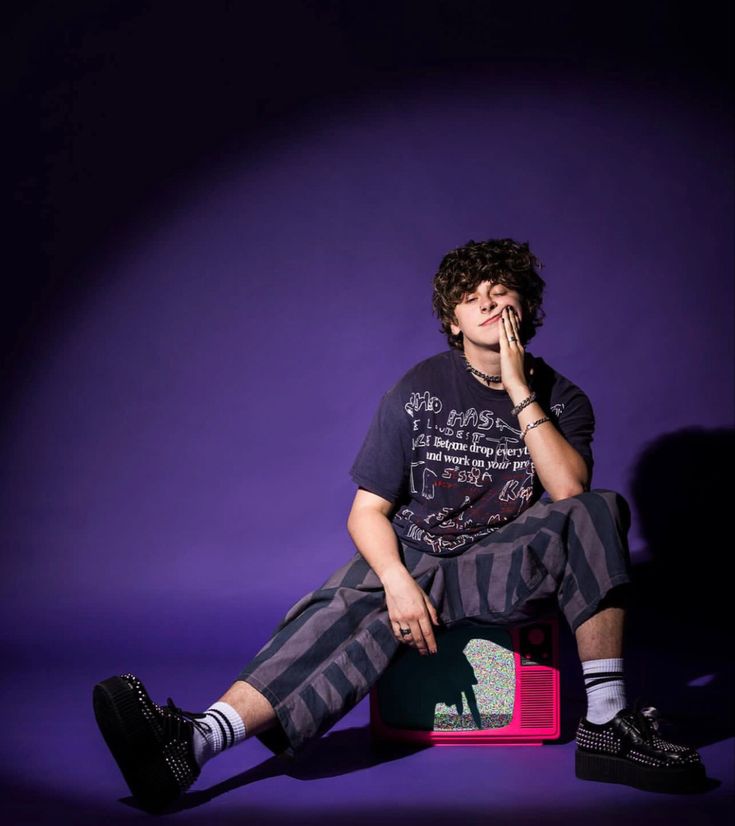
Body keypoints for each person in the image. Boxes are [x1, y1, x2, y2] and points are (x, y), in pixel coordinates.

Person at [93, 238, 705, 810]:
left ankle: (607, 722)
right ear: (452, 320)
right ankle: (194, 743)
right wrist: (396, 580)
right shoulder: (419, 389)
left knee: (599, 508)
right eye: (472, 296)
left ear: (528, 305)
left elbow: (570, 491)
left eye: (501, 291)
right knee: (341, 606)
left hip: (505, 568)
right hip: (417, 561)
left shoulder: (563, 398)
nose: (488, 302)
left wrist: (520, 389)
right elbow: (367, 511)